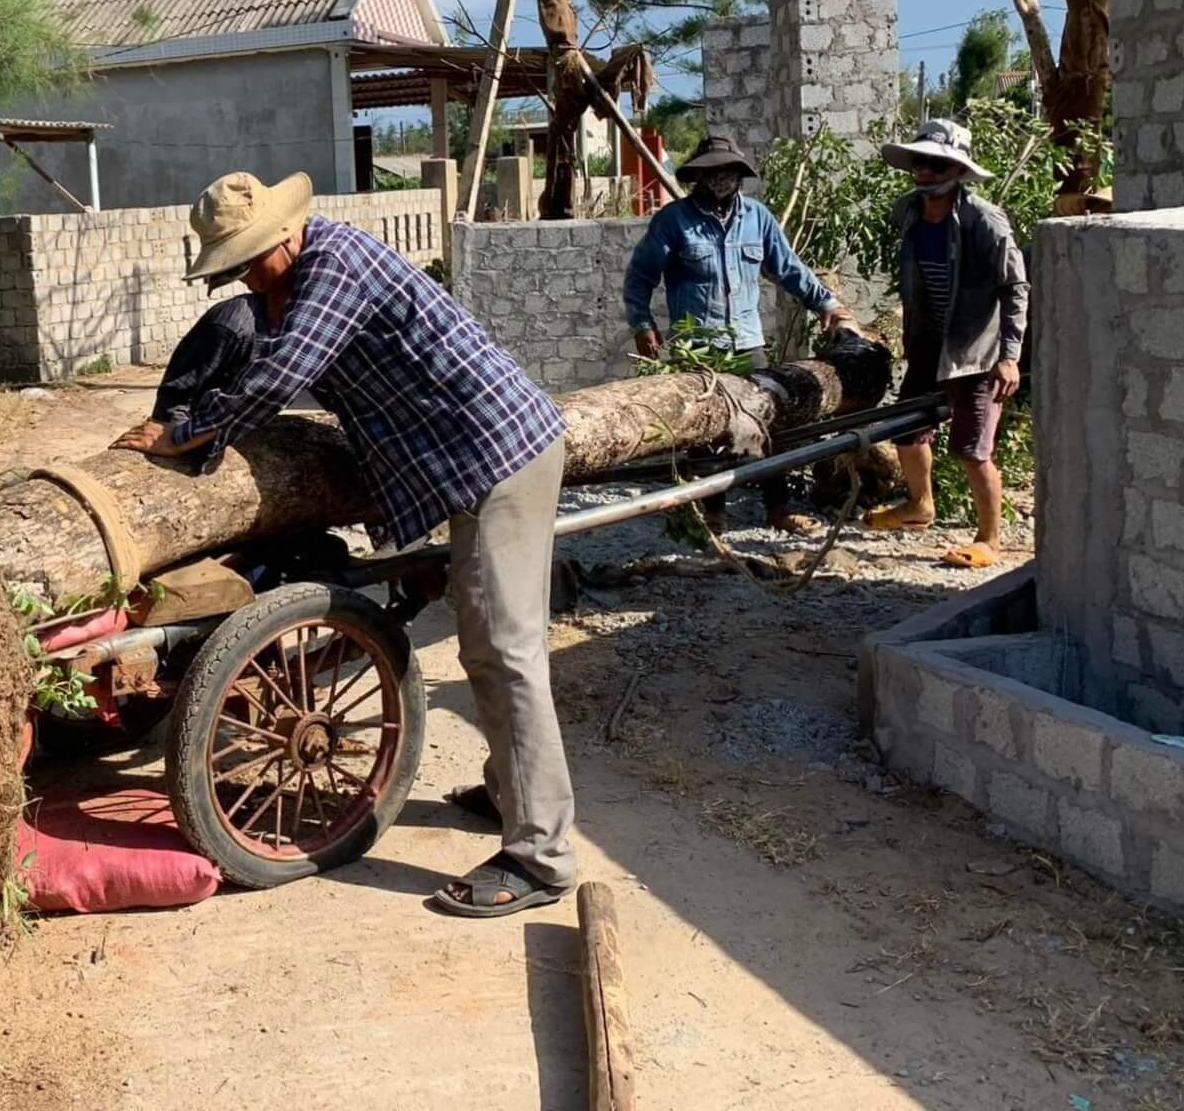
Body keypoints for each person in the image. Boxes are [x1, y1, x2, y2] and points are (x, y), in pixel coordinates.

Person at [112, 170, 576, 918]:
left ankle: (540, 856)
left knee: (500, 648)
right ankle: (509, 792)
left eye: (245, 264)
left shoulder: (336, 261)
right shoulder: (294, 278)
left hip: (496, 457)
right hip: (454, 460)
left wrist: (186, 431)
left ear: (282, 235)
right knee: (490, 642)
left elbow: (286, 370)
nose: (244, 285)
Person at [621, 135, 851, 535]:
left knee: (766, 423)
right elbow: (640, 277)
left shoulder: (758, 218)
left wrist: (826, 304)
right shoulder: (674, 220)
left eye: (728, 171)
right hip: (697, 348)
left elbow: (788, 269)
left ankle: (777, 509)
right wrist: (642, 325)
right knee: (704, 432)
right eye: (712, 172)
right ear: (700, 176)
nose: (721, 179)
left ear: (739, 175)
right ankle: (714, 514)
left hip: (747, 345)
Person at [864, 118, 1027, 568]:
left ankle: (989, 538)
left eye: (936, 165)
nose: (925, 173)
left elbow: (1015, 287)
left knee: (972, 449)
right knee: (906, 429)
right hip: (928, 340)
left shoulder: (983, 221)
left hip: (976, 348)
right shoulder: (909, 212)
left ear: (956, 171)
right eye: (920, 163)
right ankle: (920, 506)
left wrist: (1009, 356)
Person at [118, 291, 266, 452]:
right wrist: (177, 438)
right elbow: (177, 398)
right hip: (196, 421)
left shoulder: (285, 326)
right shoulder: (230, 324)